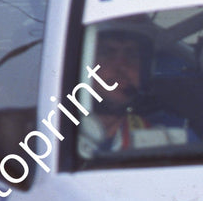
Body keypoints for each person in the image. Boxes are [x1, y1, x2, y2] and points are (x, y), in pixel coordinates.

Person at [76, 29, 194, 157]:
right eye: (107, 53)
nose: (122, 66)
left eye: (132, 56)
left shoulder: (172, 137)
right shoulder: (60, 131)